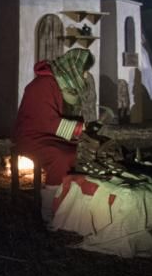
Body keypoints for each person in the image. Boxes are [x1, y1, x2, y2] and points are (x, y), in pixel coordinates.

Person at [13, 48, 98, 220]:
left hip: (49, 135)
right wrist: (80, 128)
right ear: (72, 68)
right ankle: (49, 208)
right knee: (61, 156)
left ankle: (72, 200)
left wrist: (85, 129)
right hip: (31, 137)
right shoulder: (43, 85)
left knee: (81, 151)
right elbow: (47, 121)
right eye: (84, 69)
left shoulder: (61, 85)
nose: (86, 74)